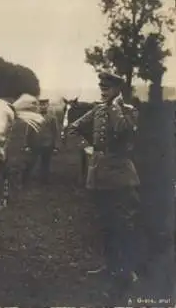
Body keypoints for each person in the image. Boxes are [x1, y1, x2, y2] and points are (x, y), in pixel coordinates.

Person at [66, 71, 140, 289]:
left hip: (120, 174)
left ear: (118, 90)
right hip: (100, 173)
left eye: (107, 89)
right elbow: (75, 126)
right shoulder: (97, 109)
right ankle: (109, 265)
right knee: (105, 222)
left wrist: (115, 106)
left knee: (124, 223)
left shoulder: (128, 111)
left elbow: (122, 129)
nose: (103, 91)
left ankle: (127, 269)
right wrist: (91, 145)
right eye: (101, 88)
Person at [21, 98, 60, 185]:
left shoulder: (52, 118)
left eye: (45, 104)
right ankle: (25, 180)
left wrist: (56, 146)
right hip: (35, 144)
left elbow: (55, 132)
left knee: (45, 163)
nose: (43, 107)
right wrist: (26, 145)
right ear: (38, 106)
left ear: (48, 105)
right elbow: (28, 131)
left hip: (48, 144)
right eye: (41, 105)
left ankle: (44, 181)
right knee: (30, 162)